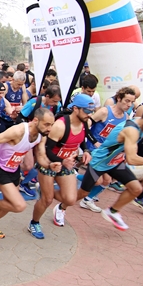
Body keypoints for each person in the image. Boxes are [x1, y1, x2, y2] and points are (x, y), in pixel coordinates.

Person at [76, 103, 143, 230]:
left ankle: (113, 211)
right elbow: (131, 159)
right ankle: (62, 206)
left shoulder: (140, 123)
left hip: (115, 162)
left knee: (136, 189)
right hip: (99, 162)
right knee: (82, 193)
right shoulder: (131, 131)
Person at [0, 108, 55, 239]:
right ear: (35, 121)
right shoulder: (19, 131)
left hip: (13, 168)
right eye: (47, 124)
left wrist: (49, 165)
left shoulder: (41, 135)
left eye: (52, 125)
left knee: (9, 203)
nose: (50, 128)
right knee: (19, 205)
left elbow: (41, 156)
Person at [28, 94, 94, 239]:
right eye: (87, 111)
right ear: (75, 109)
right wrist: (61, 161)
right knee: (47, 199)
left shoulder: (85, 123)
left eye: (92, 111)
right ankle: (34, 222)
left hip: (66, 164)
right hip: (50, 163)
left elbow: (83, 142)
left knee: (70, 199)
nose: (90, 115)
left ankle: (46, 191)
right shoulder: (60, 126)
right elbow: (46, 150)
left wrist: (87, 152)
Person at [80, 87, 137, 211]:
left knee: (107, 180)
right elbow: (86, 126)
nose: (129, 105)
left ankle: (87, 199)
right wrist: (94, 142)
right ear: (118, 98)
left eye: (132, 102)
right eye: (127, 101)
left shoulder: (126, 118)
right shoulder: (105, 112)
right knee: (100, 180)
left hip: (108, 153)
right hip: (95, 150)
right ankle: (77, 187)